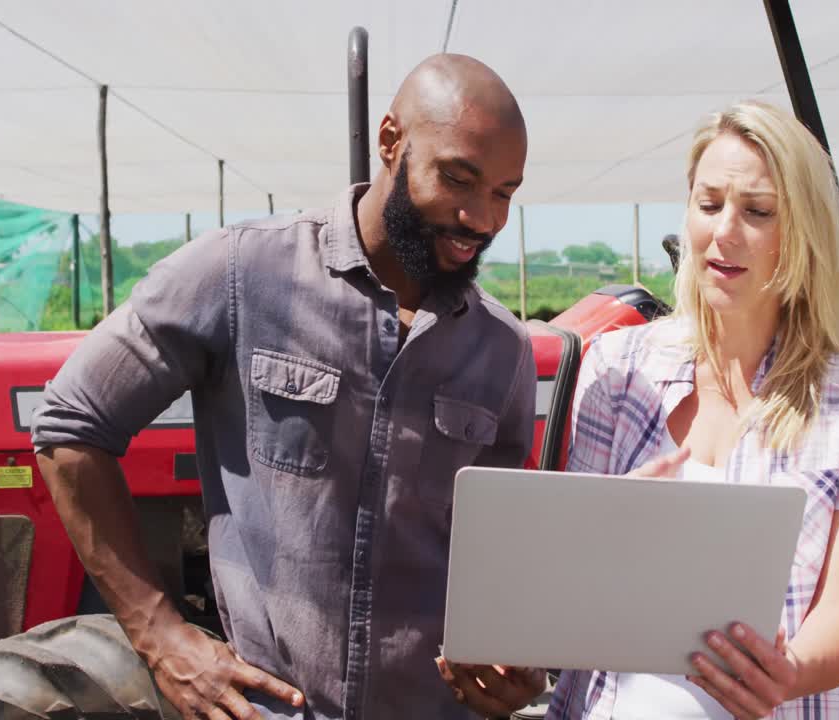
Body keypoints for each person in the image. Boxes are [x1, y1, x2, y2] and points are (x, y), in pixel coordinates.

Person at [31, 54, 543, 720]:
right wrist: (159, 635)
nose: (482, 218)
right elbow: (70, 422)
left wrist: (513, 667)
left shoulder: (502, 350)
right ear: (390, 142)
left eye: (505, 192)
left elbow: (495, 563)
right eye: (458, 178)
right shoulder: (242, 274)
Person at [547, 101, 839, 719]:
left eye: (758, 212)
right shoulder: (615, 367)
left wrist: (786, 672)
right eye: (709, 204)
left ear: (803, 232)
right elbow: (562, 585)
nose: (724, 232)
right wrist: (605, 525)